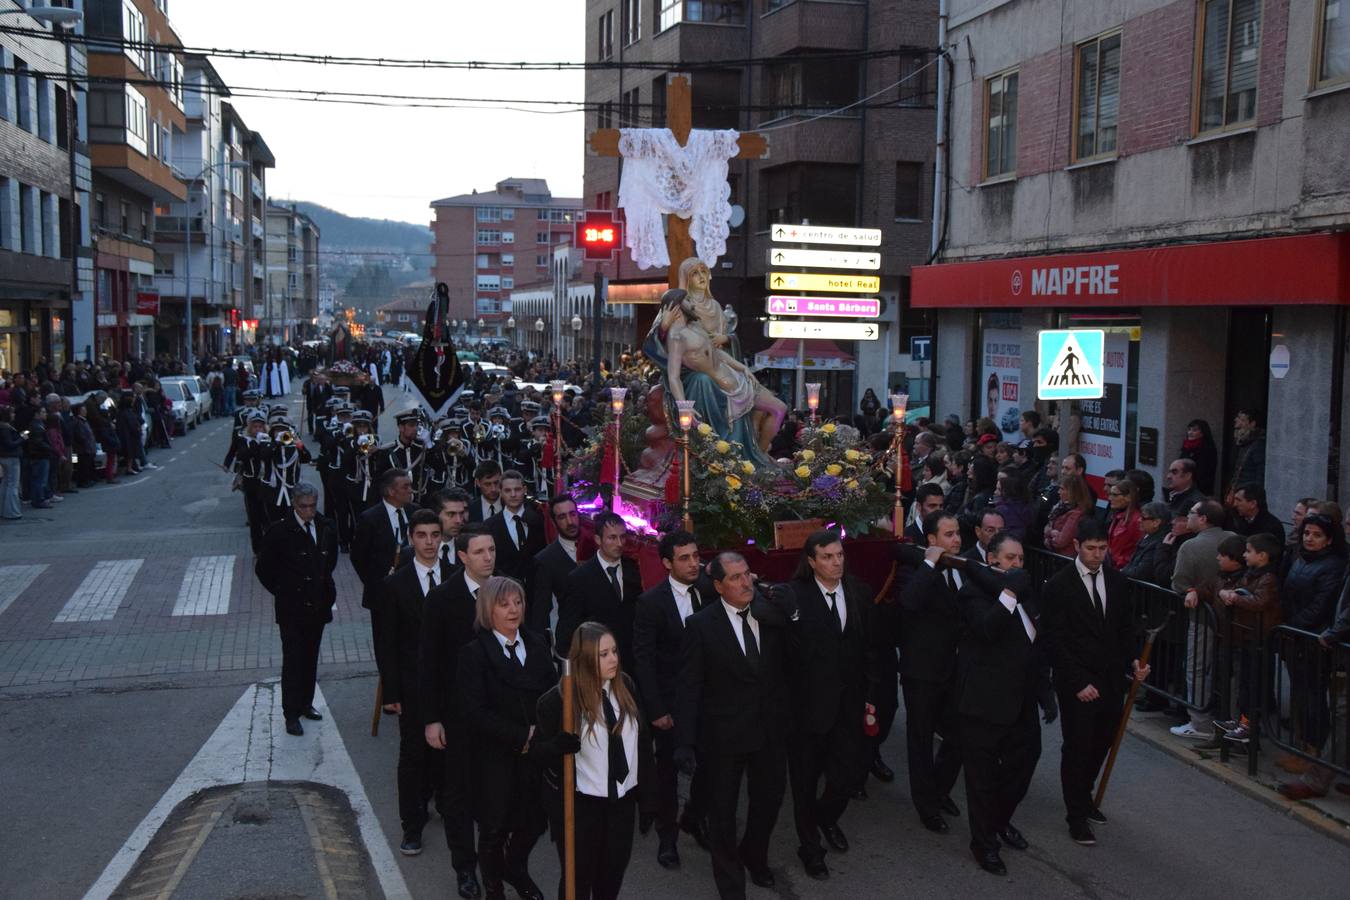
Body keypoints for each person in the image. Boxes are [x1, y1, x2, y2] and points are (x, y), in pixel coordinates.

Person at [675, 552, 794, 899]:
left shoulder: (771, 616)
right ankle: (730, 884)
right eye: (735, 578)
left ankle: (754, 855)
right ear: (718, 585)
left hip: (769, 731)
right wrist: (684, 741)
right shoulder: (701, 625)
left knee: (769, 799)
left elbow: (793, 663)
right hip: (723, 736)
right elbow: (689, 685)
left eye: (747, 575)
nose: (746, 583)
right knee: (722, 813)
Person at [1041, 520, 1150, 847]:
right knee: (1077, 745)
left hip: (1112, 677)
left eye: (1102, 549)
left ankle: (1084, 794)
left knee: (1104, 740)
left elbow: (1123, 627)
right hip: (1078, 680)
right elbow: (1055, 640)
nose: (1097, 555)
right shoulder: (1059, 585)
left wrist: (1134, 660)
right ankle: (1075, 815)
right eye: (1091, 548)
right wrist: (1076, 683)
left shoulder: (1116, 581)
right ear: (1076, 546)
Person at [535, 622, 656, 900]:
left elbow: (642, 746)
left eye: (614, 651)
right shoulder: (560, 701)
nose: (613, 659)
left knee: (611, 880)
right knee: (577, 883)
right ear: (585, 658)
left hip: (622, 806)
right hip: (582, 809)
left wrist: (649, 797)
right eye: (603, 654)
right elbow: (537, 755)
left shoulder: (626, 686)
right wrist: (556, 747)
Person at [956, 533, 1051, 876]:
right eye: (1010, 558)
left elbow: (1035, 646)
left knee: (1023, 764)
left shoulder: (1028, 595)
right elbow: (986, 630)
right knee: (980, 780)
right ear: (993, 560)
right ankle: (984, 845)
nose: (1017, 565)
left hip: (1021, 701)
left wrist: (1046, 694)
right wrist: (1008, 593)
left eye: (1021, 559)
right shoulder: (973, 592)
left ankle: (999, 821)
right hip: (983, 703)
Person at [783, 530, 873, 880]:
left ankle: (827, 817)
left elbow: (870, 649)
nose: (837, 562)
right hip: (806, 712)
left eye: (839, 555)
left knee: (846, 777)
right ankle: (810, 848)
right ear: (811, 561)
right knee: (804, 784)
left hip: (848, 706)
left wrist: (872, 697)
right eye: (828, 557)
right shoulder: (795, 597)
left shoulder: (859, 592)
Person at [456, 576, 554, 900]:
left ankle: (515, 868)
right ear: (488, 610)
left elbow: (551, 694)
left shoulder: (538, 643)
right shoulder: (474, 654)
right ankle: (494, 888)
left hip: (535, 752)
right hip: (495, 755)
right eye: (504, 604)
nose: (514, 610)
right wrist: (518, 735)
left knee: (535, 821)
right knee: (494, 828)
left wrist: (542, 733)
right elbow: (474, 711)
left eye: (518, 602)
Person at [421, 527, 494, 898]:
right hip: (457, 717)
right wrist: (432, 718)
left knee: (498, 796)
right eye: (479, 551)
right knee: (459, 798)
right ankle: (465, 869)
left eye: (491, 550)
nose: (488, 557)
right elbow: (429, 663)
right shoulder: (442, 599)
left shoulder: (506, 594)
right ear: (463, 556)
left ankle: (496, 867)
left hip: (497, 718)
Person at [632, 529, 711, 868]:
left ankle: (694, 817)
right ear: (666, 563)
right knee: (667, 775)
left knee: (711, 768)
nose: (694, 563)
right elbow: (643, 660)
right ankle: (668, 838)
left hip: (709, 703)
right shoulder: (651, 603)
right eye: (685, 558)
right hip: (670, 704)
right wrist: (657, 709)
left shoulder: (711, 592)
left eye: (696, 556)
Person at [378, 509, 450, 856]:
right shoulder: (395, 584)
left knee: (448, 751)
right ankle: (412, 824)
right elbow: (386, 644)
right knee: (412, 756)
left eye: (435, 535)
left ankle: (448, 806)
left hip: (450, 684)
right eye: (422, 535)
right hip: (411, 686)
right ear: (411, 539)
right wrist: (391, 692)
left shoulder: (454, 575)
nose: (429, 542)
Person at [899, 511, 967, 834]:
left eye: (957, 534)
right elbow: (909, 603)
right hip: (922, 672)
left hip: (954, 670)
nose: (956, 539)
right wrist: (928, 564)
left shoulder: (962, 569)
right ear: (932, 540)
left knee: (958, 736)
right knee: (921, 740)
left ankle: (939, 790)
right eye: (949, 534)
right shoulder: (915, 568)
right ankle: (927, 805)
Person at [254, 482, 337, 736]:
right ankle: (291, 713)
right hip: (292, 607)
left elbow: (329, 560)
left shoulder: (325, 526)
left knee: (311, 657)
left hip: (318, 603)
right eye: (304, 507)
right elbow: (264, 569)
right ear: (294, 505)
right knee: (293, 660)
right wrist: (284, 591)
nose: (309, 511)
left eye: (313, 506)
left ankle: (305, 703)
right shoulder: (280, 531)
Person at [1276, 513, 1346, 786]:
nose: (1309, 539)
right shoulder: (1299, 558)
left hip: (1313, 638)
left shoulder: (1333, 565)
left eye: (1317, 535)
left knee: (1313, 697)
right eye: (1307, 533)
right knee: (1301, 695)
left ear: (1329, 539)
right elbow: (1288, 592)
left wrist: (1295, 626)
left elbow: (1323, 604)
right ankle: (1304, 746)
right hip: (1294, 635)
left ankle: (1314, 751)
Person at [1200, 533, 1281, 746]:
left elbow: (1259, 601)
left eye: (1248, 551)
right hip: (1244, 635)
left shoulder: (1268, 578)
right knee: (1244, 685)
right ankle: (1240, 722)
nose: (1245, 555)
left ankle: (1247, 725)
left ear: (1262, 555)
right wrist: (1229, 594)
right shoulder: (1252, 575)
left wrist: (1234, 597)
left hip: (1257, 638)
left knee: (1251, 685)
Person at [1169, 499, 1237, 740]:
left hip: (1202, 617)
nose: (1188, 517)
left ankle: (1200, 722)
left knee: (1197, 668)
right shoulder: (1234, 538)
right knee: (1230, 671)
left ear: (1204, 519)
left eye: (1191, 513)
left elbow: (1179, 582)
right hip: (1233, 619)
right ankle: (1232, 722)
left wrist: (1191, 591)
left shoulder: (1190, 547)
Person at [350, 468, 419, 690]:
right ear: (390, 491)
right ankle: (390, 688)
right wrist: (376, 582)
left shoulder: (416, 513)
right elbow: (358, 556)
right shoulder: (370, 518)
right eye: (405, 487)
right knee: (385, 642)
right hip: (382, 594)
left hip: (412, 591)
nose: (411, 490)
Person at [556, 512, 642, 660]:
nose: (620, 543)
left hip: (629, 660)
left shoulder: (633, 569)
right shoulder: (579, 578)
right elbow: (567, 629)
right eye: (612, 538)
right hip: (595, 660)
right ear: (598, 539)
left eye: (622, 537)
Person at [526, 493, 584, 648]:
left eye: (573, 514)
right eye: (562, 517)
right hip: (570, 643)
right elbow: (541, 611)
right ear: (553, 522)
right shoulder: (545, 560)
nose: (570, 522)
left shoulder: (596, 547)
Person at [487, 469, 546, 582]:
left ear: (524, 490)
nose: (513, 495)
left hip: (538, 589)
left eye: (517, 489)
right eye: (508, 490)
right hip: (505, 591)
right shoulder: (490, 526)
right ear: (501, 492)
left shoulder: (539, 519)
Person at [1121, 501, 1175, 586]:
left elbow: (1141, 572)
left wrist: (1121, 572)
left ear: (1156, 522)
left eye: (1143, 518)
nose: (1139, 520)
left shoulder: (1159, 543)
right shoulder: (1148, 537)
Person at [1044, 474, 1094, 555]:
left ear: (1073, 492)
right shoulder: (1059, 508)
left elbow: (1061, 541)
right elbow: (1046, 528)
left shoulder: (1077, 514)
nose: (1058, 492)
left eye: (1062, 489)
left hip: (1065, 559)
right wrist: (1053, 533)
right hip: (1055, 556)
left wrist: (1049, 533)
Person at [1105, 477, 1143, 568]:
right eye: (1110, 494)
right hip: (1111, 566)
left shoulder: (1137, 521)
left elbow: (1139, 549)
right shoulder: (1118, 516)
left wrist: (1120, 563)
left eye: (1115, 495)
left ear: (1128, 497)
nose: (1110, 498)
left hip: (1122, 569)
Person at [1228, 409, 1266, 496]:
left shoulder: (1258, 444)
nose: (1237, 423)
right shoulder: (1242, 442)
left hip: (1246, 494)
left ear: (1252, 424)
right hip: (1238, 491)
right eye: (1237, 419)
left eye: (1242, 420)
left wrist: (1253, 494)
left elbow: (1260, 473)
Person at [1179, 419, 1219, 496]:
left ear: (1203, 433)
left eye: (1194, 430)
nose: (1190, 432)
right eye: (1189, 430)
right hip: (1184, 487)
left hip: (1199, 490)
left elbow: (1204, 471)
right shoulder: (1187, 446)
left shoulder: (1207, 448)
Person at [994, 471, 1034, 541]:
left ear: (1007, 491)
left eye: (999, 490)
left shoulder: (1002, 510)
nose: (995, 492)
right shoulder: (1026, 508)